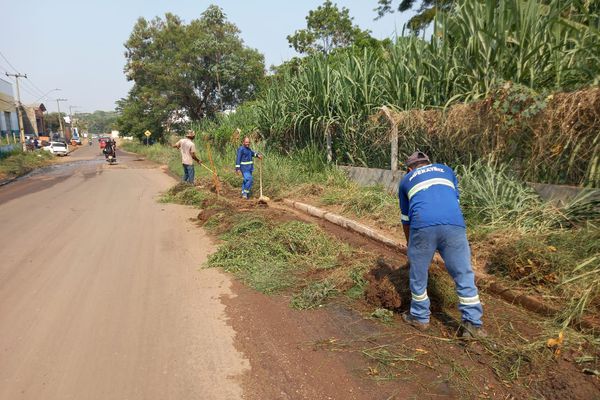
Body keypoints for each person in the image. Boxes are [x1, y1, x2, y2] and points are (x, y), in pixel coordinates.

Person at [398, 151, 485, 339]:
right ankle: (473, 325)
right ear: (429, 163)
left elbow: (406, 220)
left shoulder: (406, 179)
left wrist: (411, 245)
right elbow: (453, 200)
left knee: (418, 274)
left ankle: (420, 317)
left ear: (409, 168)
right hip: (454, 224)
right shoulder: (446, 170)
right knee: (463, 273)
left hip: (423, 224)